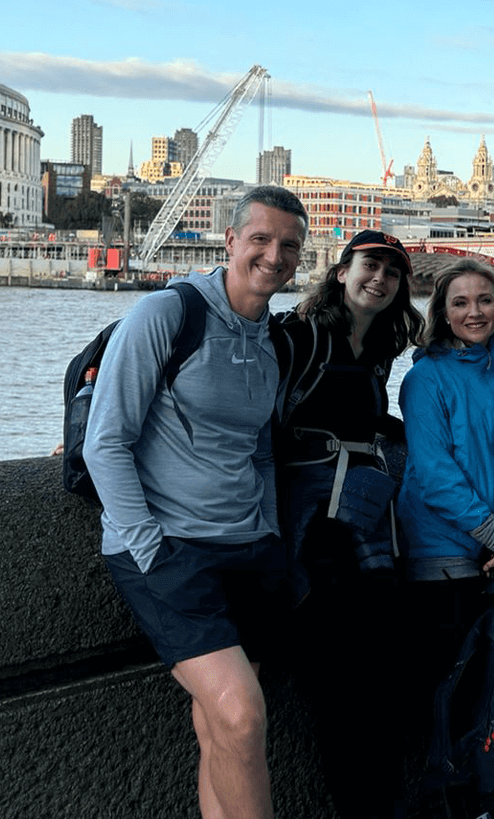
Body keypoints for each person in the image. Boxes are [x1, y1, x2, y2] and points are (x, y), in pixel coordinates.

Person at [87, 186, 306, 819]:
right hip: (172, 549)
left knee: (221, 726)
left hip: (250, 548)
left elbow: (260, 449)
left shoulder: (274, 340)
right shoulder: (166, 313)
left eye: (288, 245)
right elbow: (107, 442)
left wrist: (267, 529)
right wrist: (150, 551)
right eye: (260, 239)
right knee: (241, 713)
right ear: (231, 239)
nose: (273, 255)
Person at [274, 229, 421, 818]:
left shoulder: (380, 347)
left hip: (362, 521)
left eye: (391, 270)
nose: (379, 278)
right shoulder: (298, 335)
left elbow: (370, 418)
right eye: (369, 265)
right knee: (340, 682)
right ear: (341, 272)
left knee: (379, 675)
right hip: (313, 531)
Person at [398, 258, 494, 817]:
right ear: (443, 313)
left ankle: (486, 799)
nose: (474, 311)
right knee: (445, 691)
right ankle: (444, 804)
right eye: (460, 302)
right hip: (442, 554)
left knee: (488, 687)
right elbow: (434, 475)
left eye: (485, 300)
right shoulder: (424, 378)